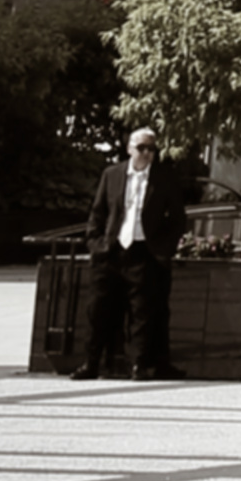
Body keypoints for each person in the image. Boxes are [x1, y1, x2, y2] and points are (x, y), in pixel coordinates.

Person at [76, 129, 190, 381]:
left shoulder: (164, 178)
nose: (147, 153)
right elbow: (98, 212)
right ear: (130, 148)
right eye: (142, 148)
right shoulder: (112, 175)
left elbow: (178, 219)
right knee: (98, 310)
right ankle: (91, 363)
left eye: (152, 149)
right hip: (112, 251)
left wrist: (163, 248)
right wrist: (97, 244)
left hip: (144, 252)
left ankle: (139, 365)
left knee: (142, 313)